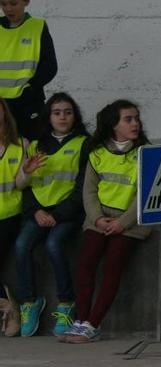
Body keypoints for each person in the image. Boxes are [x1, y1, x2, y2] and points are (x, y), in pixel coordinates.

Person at [60, 100, 151, 343]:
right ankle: (80, 320)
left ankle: (92, 324)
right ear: (113, 125)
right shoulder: (97, 153)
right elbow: (88, 192)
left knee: (112, 267)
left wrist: (122, 223)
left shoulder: (145, 153)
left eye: (136, 118)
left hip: (131, 222)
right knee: (86, 263)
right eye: (128, 119)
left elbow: (144, 195)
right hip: (98, 219)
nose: (136, 123)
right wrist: (98, 219)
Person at [14, 92, 89, 337]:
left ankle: (66, 304)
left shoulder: (84, 143)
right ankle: (29, 303)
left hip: (67, 213)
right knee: (21, 245)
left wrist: (58, 214)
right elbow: (28, 187)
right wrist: (36, 211)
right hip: (40, 211)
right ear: (49, 116)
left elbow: (82, 187)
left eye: (67, 112)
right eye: (57, 113)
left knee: (54, 244)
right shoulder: (36, 145)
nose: (62, 117)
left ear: (75, 115)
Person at [0, 0, 57, 140]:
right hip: (1, 104)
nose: (8, 9)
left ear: (26, 2)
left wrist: (31, 87)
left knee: (33, 148)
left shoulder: (38, 26)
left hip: (28, 101)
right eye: (3, 4)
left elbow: (50, 66)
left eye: (13, 4)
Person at [0, 97, 25, 336]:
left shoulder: (18, 149)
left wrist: (27, 171)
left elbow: (20, 184)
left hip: (8, 215)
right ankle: (5, 303)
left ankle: (9, 308)